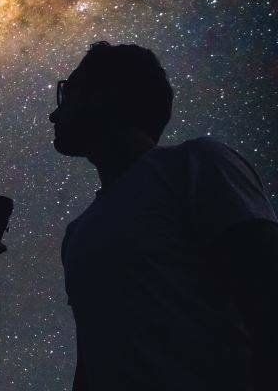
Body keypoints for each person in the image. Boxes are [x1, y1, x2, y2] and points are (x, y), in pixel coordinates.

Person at [48, 41, 278, 391]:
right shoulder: (77, 233)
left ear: (106, 95)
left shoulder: (197, 165)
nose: (54, 114)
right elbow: (93, 356)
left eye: (69, 92)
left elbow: (264, 286)